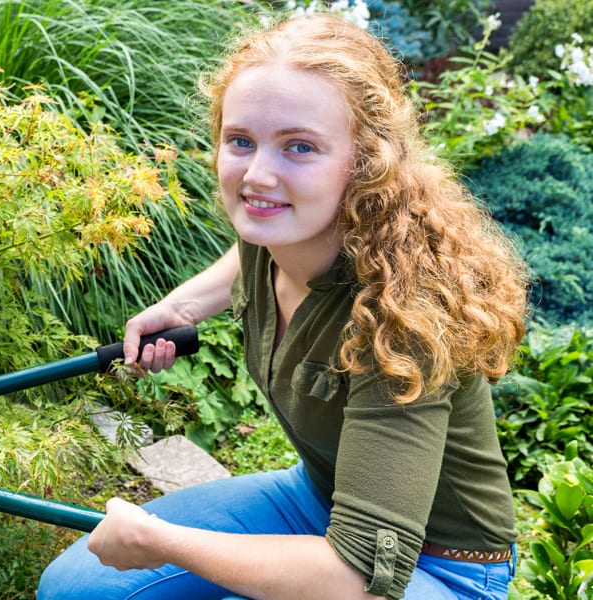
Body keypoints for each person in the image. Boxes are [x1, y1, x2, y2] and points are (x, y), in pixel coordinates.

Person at [37, 11, 530, 600]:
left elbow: (358, 578)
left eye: (299, 147)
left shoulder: (405, 318)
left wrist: (160, 542)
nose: (258, 176)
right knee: (77, 588)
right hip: (317, 500)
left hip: (437, 569)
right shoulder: (276, 231)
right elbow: (245, 244)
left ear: (365, 163)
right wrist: (185, 304)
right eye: (240, 140)